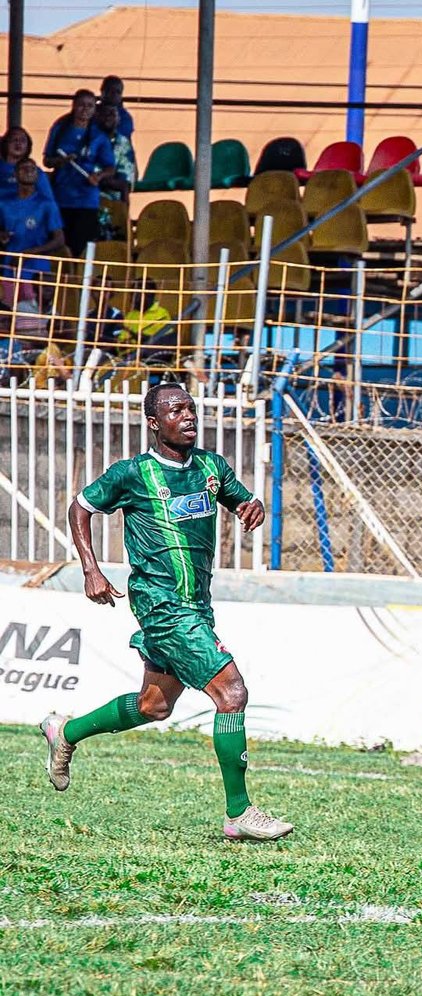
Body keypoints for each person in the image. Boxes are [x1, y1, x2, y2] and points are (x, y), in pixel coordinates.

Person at [40, 382, 294, 842]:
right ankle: (238, 812)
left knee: (153, 706)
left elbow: (239, 499)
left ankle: (65, 731)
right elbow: (81, 508)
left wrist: (250, 507)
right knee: (231, 692)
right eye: (177, 410)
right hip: (162, 605)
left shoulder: (211, 467)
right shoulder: (132, 474)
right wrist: (91, 570)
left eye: (192, 409)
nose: (189, 416)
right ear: (154, 423)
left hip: (196, 604)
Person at [43, 89, 115, 255]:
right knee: (60, 248)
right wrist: (61, 162)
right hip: (61, 198)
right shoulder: (60, 129)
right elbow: (47, 160)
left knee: (81, 248)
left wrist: (99, 176)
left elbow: (110, 167)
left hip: (86, 201)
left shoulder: (99, 136)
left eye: (90, 106)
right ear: (74, 106)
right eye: (81, 105)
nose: (85, 109)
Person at [0, 159, 66, 286]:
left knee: (31, 304)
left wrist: (29, 253)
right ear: (15, 174)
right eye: (24, 168)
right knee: (8, 304)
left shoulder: (47, 204)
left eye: (33, 169)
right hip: (9, 264)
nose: (29, 172)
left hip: (36, 268)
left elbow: (59, 240)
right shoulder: (4, 203)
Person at [92, 100, 136, 200]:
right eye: (104, 114)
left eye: (112, 114)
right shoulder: (87, 139)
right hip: (85, 197)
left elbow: (125, 183)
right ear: (96, 116)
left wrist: (101, 179)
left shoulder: (122, 143)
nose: (108, 117)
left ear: (118, 119)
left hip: (111, 200)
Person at [0, 127, 54, 202]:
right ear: (6, 144)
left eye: (23, 140)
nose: (18, 143)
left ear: (28, 145)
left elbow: (48, 200)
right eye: (14, 140)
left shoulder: (36, 172)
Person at [100, 75, 135, 140]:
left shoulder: (125, 117)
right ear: (102, 91)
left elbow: (118, 140)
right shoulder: (92, 112)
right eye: (111, 90)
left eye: (118, 92)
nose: (114, 95)